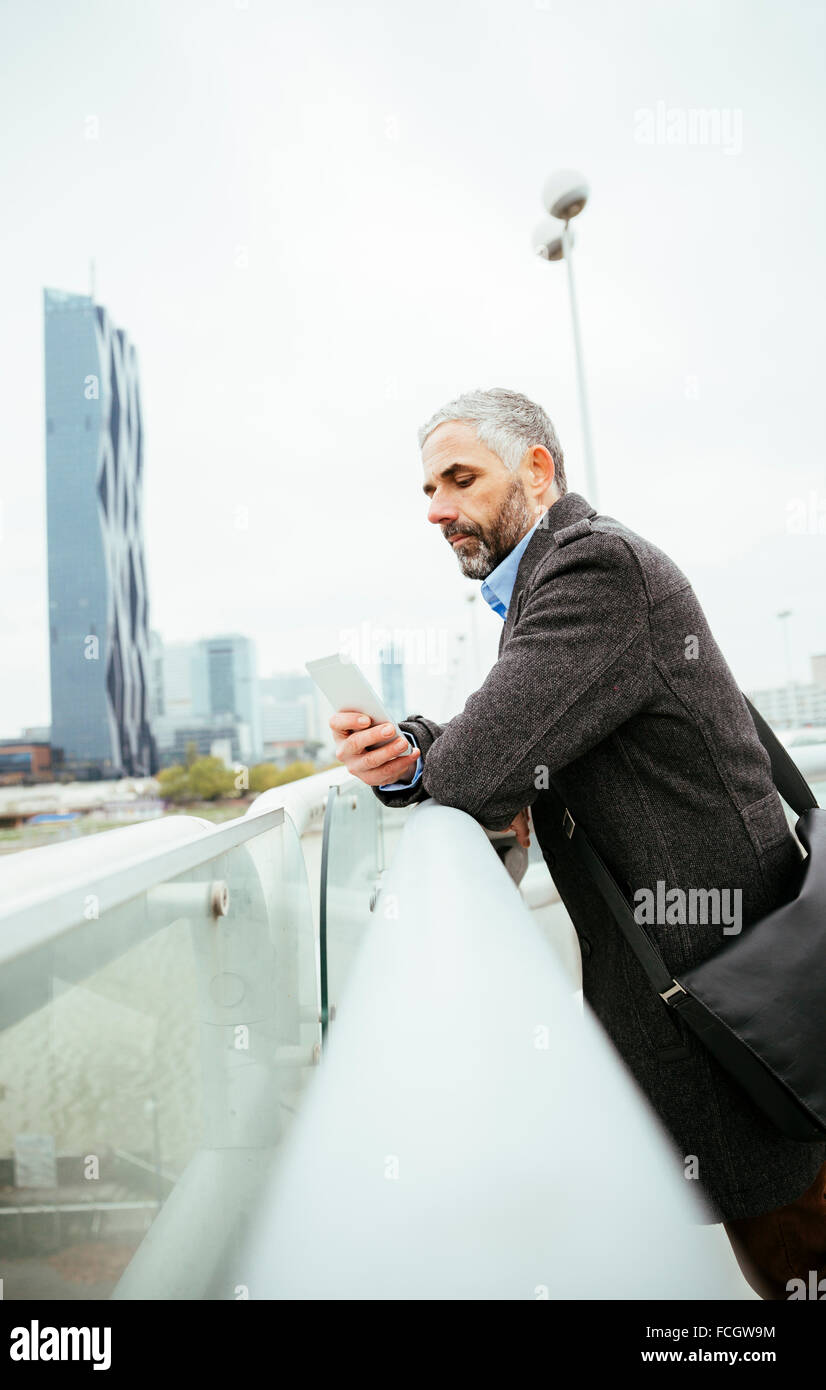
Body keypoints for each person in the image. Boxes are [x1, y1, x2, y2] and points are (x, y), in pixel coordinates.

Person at [331, 386, 826, 1299]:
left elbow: (485, 767)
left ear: (537, 468)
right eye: (429, 489)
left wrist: (429, 764)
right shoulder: (557, 578)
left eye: (460, 478)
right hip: (718, 968)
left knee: (791, 1239)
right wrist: (410, 757)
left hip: (722, 991)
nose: (437, 509)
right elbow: (521, 733)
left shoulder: (592, 571)